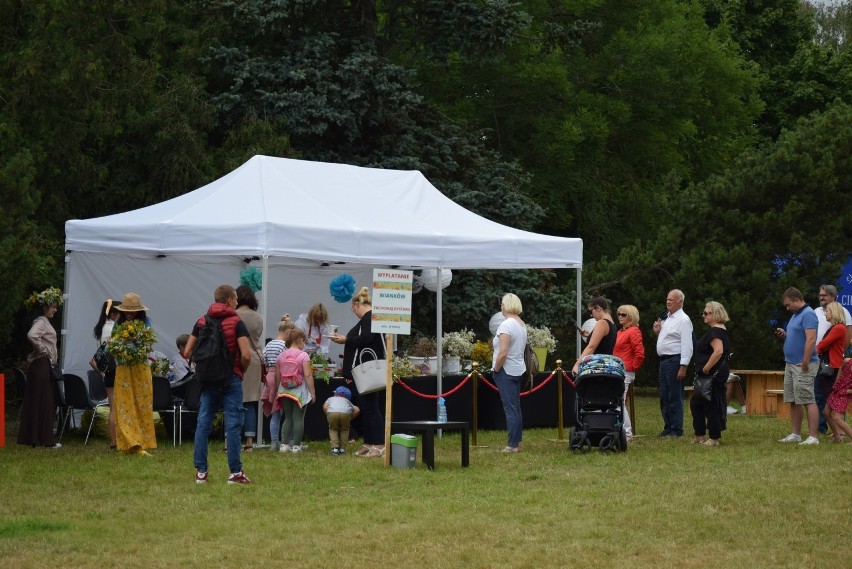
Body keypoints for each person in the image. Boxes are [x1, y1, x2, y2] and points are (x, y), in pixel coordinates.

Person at [184, 284, 252, 484]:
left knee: (203, 422)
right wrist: (240, 370)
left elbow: (187, 352)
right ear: (230, 300)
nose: (238, 302)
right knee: (232, 424)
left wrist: (204, 367)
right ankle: (235, 473)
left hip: (208, 380)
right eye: (236, 299)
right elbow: (246, 354)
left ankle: (201, 472)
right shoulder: (236, 322)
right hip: (231, 377)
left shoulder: (201, 320)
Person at [330, 286, 386, 458]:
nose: (353, 312)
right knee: (366, 408)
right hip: (361, 373)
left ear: (356, 304)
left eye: (353, 309)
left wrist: (346, 339)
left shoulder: (370, 318)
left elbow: (367, 338)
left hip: (367, 372)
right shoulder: (368, 319)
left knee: (371, 409)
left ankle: (380, 444)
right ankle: (369, 443)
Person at [17, 287, 64, 448]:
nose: (55, 310)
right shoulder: (41, 321)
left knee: (39, 401)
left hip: (40, 366)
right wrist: (43, 350)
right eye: (53, 307)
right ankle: (45, 440)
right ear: (45, 307)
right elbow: (32, 335)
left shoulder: (43, 321)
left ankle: (34, 438)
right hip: (42, 365)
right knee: (45, 401)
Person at [112, 292, 157, 456]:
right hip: (123, 368)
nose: (129, 313)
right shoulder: (118, 325)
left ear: (139, 311)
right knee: (124, 404)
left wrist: (133, 340)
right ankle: (128, 443)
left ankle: (141, 443)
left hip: (140, 368)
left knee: (141, 404)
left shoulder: (146, 324)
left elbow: (148, 344)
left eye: (133, 310)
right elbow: (114, 344)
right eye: (126, 310)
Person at [774, 287, 820, 445]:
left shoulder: (808, 314)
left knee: (808, 398)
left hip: (804, 364)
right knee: (793, 399)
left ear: (796, 300)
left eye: (788, 305)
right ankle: (796, 434)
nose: (787, 308)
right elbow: (797, 336)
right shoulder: (795, 315)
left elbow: (811, 340)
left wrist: (805, 362)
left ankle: (813, 436)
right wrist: (785, 335)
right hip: (791, 363)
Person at [653, 289, 694, 438]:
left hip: (675, 361)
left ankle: (677, 430)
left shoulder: (683, 320)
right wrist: (658, 332)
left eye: (672, 299)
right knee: (664, 396)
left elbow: (687, 345)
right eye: (667, 299)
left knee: (674, 396)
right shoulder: (667, 318)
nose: (668, 302)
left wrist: (683, 366)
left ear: (680, 302)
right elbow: (669, 339)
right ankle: (668, 427)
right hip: (664, 361)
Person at [689, 301, 731, 446]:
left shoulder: (715, 331)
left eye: (707, 313)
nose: (703, 315)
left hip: (712, 374)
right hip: (713, 373)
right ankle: (699, 435)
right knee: (697, 403)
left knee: (711, 404)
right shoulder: (720, 330)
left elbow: (718, 351)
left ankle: (714, 438)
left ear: (716, 314)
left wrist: (706, 368)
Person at [491, 293, 528, 453]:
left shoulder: (506, 325)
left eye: (502, 304)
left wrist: (496, 368)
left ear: (505, 306)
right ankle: (516, 441)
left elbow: (503, 352)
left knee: (510, 408)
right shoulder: (521, 324)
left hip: (506, 370)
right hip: (518, 368)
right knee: (516, 407)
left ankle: (512, 444)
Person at [814, 289, 851, 434]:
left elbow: (822, 345)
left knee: (833, 408)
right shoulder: (835, 328)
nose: (825, 313)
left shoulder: (838, 328)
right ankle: (838, 435)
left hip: (831, 369)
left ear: (834, 312)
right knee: (827, 409)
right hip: (830, 367)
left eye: (828, 311)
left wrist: (811, 353)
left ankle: (841, 433)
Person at [275, 329, 316, 453]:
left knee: (288, 418)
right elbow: (308, 376)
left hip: (284, 391)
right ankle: (296, 446)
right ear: (300, 340)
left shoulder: (281, 355)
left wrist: (279, 389)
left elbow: (278, 375)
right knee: (298, 418)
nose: (304, 344)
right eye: (304, 341)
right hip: (299, 392)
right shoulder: (304, 356)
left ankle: (284, 445)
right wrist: (313, 393)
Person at [89, 298, 121, 448]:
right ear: (115, 313)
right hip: (116, 369)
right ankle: (115, 441)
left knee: (113, 407)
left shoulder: (101, 327)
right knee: (116, 407)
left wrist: (102, 372)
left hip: (108, 371)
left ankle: (114, 441)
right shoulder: (112, 328)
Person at [260, 315, 295, 451]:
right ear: (288, 332)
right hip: (281, 377)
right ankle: (289, 440)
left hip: (269, 376)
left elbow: (263, 359)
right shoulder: (284, 346)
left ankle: (274, 442)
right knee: (289, 412)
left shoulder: (269, 344)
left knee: (275, 412)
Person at [235, 285, 264, 451]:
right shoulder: (258, 317)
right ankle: (249, 442)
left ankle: (230, 441)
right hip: (253, 360)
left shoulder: (233, 315)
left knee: (233, 401)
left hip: (237, 359)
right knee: (251, 402)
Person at [613, 304, 644, 440]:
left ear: (631, 317)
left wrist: (632, 368)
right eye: (619, 314)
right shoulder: (620, 332)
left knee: (619, 400)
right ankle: (619, 429)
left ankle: (627, 433)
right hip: (617, 370)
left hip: (625, 371)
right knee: (618, 400)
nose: (620, 316)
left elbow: (640, 353)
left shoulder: (634, 331)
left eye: (624, 314)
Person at [572, 296, 618, 374]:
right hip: (607, 367)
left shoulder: (602, 322)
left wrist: (577, 365)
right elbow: (605, 341)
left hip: (597, 367)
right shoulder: (612, 323)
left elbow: (591, 347)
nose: (591, 315)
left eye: (591, 311)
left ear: (598, 308)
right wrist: (589, 335)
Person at [323, 386, 360, 455]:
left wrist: (328, 415)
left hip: (332, 413)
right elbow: (357, 410)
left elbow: (325, 406)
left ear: (336, 394)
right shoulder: (347, 401)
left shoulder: (331, 398)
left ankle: (335, 449)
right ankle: (342, 449)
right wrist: (350, 418)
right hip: (346, 414)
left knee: (333, 429)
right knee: (345, 430)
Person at [825, 357, 852, 444]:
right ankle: (837, 437)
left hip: (845, 394)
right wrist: (836, 382)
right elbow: (841, 369)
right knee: (826, 412)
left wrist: (846, 391)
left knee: (837, 418)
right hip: (836, 390)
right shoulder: (847, 361)